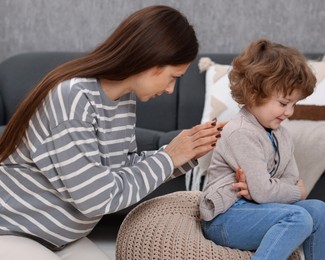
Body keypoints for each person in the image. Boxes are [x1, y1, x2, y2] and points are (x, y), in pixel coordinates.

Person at [0, 5, 227, 260]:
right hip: (13, 230)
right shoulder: (73, 98)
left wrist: (188, 151)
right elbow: (96, 198)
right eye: (173, 77)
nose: (170, 90)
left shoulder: (122, 101)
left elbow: (121, 169)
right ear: (151, 61)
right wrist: (170, 157)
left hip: (60, 238)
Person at [199, 39, 325, 260]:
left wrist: (266, 192)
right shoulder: (240, 132)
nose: (290, 112)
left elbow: (285, 181)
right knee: (298, 218)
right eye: (283, 103)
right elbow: (277, 190)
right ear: (254, 95)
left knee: (321, 212)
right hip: (227, 218)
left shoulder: (282, 135)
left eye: (294, 104)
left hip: (259, 212)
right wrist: (297, 192)